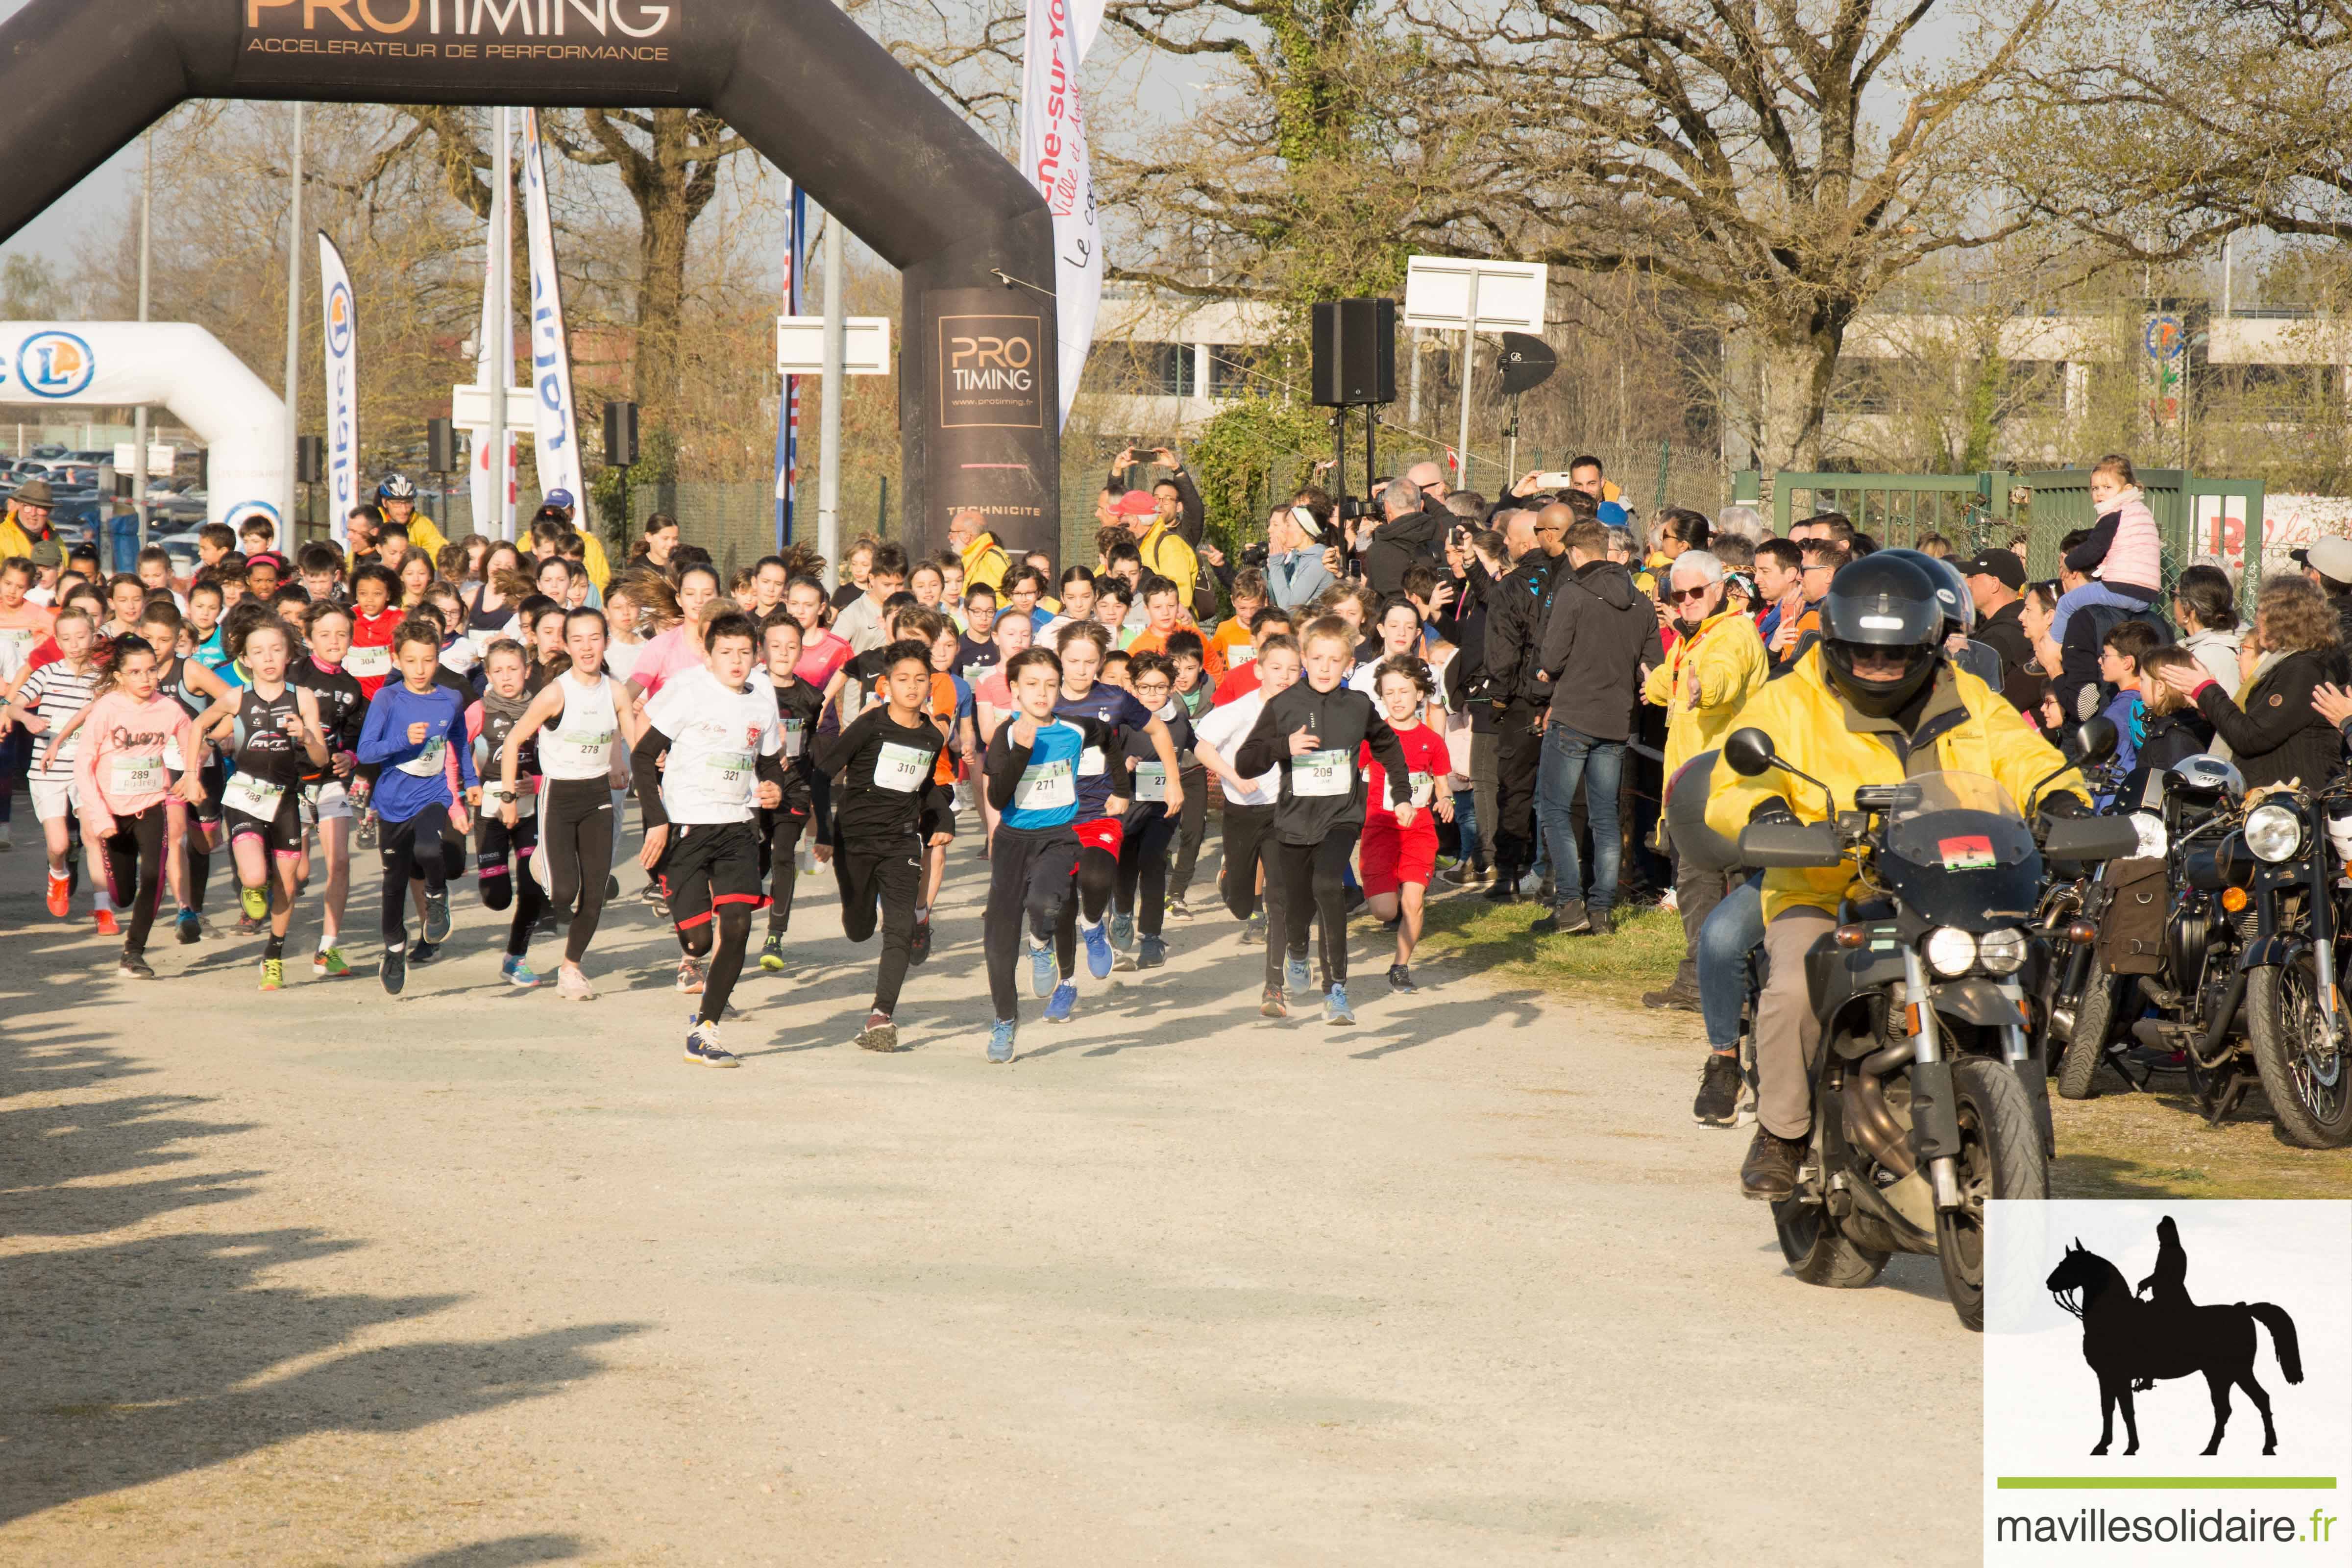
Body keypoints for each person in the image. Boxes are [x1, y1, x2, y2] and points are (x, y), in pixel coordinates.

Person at [1703, 554, 2085, 1200]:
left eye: (1897, 655)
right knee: (1794, 985)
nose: (1879, 668)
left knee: (2029, 958)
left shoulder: (1965, 696)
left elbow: (2021, 754)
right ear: (1839, 644)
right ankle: (1783, 1131)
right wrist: (1766, 808)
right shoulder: (1793, 697)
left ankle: (2014, 1116)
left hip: (1953, 887)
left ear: (1927, 647)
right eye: (1864, 655)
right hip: (1827, 887)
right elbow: (1740, 772)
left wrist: (2060, 797)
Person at [1232, 614, 1415, 1024]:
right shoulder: (1283, 705)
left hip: (1342, 817)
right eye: (1318, 658)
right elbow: (1245, 763)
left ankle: (1335, 990)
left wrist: (1401, 797)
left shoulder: (1358, 706)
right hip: (1294, 822)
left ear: (1349, 663)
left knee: (1329, 884)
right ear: (1305, 658)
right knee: (1296, 908)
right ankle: (1298, 951)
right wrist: (1285, 746)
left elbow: (1390, 748)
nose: (1326, 667)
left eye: (1336, 660)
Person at [632, 610, 788, 1067]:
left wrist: (774, 786)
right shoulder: (689, 693)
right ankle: (669, 890)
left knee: (738, 926)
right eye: (726, 653)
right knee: (699, 943)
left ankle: (705, 1029)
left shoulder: (763, 699)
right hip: (686, 828)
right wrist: (657, 819)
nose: (736, 661)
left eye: (744, 652)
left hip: (738, 827)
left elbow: (771, 762)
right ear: (709, 655)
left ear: (756, 655)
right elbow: (643, 758)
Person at [980, 646, 1131, 1062]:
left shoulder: (1077, 729)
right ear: (1015, 690)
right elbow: (996, 794)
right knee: (998, 945)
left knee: (1046, 903)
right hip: (1013, 843)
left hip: (1059, 837)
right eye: (1032, 685)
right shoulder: (1006, 735)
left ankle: (1041, 943)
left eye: (1050, 684)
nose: (1042, 693)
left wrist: (1121, 790)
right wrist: (1022, 752)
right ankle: (1006, 1022)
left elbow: (1111, 743)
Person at [1643, 550, 1768, 1009]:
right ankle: (1719, 983)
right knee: (1708, 888)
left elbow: (1720, 680)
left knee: (1704, 886)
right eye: (1679, 595)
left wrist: (1702, 690)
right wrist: (1659, 684)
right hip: (1696, 783)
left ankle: (1706, 985)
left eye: (1696, 592)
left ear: (1718, 590)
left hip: (1718, 789)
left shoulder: (1732, 635)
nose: (1687, 601)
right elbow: (1670, 678)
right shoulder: (1696, 634)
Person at [1527, 515, 1661, 939]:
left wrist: (1553, 671)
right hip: (1616, 722)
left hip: (1573, 717)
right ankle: (1601, 911)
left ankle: (1570, 905)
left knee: (1555, 809)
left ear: (1577, 554)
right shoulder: (1640, 602)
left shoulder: (1574, 592)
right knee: (1606, 816)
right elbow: (1651, 666)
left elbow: (1551, 659)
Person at [817, 637, 951, 1051]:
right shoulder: (871, 724)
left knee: (901, 928)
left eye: (921, 680)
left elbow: (925, 784)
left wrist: (942, 817)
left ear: (931, 684)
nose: (912, 687)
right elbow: (824, 773)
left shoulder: (931, 736)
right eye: (903, 679)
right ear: (887, 685)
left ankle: (881, 1016)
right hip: (854, 840)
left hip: (900, 842)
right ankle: (857, 912)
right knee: (859, 930)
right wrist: (823, 832)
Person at [496, 606, 634, 1001]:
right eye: (578, 639)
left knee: (594, 894)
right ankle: (544, 862)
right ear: (568, 645)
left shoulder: (616, 691)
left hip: (598, 797)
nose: (587, 647)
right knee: (562, 893)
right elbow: (512, 742)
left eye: (595, 638)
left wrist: (623, 761)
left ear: (605, 641)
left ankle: (571, 968)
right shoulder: (557, 692)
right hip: (558, 795)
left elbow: (631, 740)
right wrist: (508, 798)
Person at [1047, 621, 1183, 1017]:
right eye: (1073, 660)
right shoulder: (1045, 698)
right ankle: (1066, 984)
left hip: (1100, 811)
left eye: (1090, 662)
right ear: (1060, 659)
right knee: (1060, 902)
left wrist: (1173, 782)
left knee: (1096, 880)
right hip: (1053, 816)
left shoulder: (1116, 699)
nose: (1080, 669)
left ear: (1102, 662)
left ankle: (1093, 926)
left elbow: (1159, 731)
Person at [194, 616, 331, 990]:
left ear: (289, 655)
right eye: (258, 652)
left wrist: (305, 736)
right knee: (256, 877)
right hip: (244, 795)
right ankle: (252, 886)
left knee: (287, 884)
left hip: (286, 800)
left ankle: (273, 955)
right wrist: (192, 773)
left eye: (275, 650)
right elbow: (198, 725)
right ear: (247, 660)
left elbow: (321, 759)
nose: (268, 657)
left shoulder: (302, 697)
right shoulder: (237, 696)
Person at [358, 617, 481, 995]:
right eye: (411, 661)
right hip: (393, 802)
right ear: (397, 659)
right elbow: (366, 751)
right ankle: (394, 950)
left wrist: (471, 782)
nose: (420, 670)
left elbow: (459, 739)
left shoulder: (450, 698)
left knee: (430, 848)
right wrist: (400, 739)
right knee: (394, 884)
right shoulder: (387, 698)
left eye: (427, 660)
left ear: (438, 656)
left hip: (433, 795)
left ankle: (436, 895)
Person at [70, 635, 202, 977]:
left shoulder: (169, 708)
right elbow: (83, 764)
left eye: (152, 670)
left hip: (153, 804)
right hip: (112, 815)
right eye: (136, 672)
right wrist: (98, 816)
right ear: (119, 676)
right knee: (123, 895)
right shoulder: (107, 709)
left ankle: (133, 953)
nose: (146, 679)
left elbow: (192, 743)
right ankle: (114, 886)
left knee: (154, 877)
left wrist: (191, 777)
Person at [2158, 574, 2347, 793]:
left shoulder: (2303, 671)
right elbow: (2254, 725)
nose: (2256, 621)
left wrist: (2206, 689)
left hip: (2293, 803)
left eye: (2260, 612)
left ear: (2281, 619)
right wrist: (2206, 703)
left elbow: (2252, 737)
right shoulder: (2284, 664)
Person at [1479, 501, 1568, 901]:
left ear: (1518, 544)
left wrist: (1499, 699)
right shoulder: (1569, 579)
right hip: (1563, 696)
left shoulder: (1511, 587)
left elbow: (1501, 653)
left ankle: (1509, 873)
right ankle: (1554, 874)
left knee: (1514, 788)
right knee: (1559, 791)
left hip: (1520, 699)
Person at [1194, 633, 1299, 949]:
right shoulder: (1239, 711)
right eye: (1277, 668)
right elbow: (1202, 748)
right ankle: (1232, 877)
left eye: (1293, 670)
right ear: (1259, 671)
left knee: (1280, 880)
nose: (1285, 676)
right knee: (1239, 904)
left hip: (1282, 808)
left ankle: (1287, 946)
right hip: (1243, 808)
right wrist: (1234, 777)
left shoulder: (1306, 711)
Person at [5, 608, 105, 925]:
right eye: (66, 638)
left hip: (86, 771)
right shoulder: (47, 673)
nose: (74, 644)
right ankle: (57, 873)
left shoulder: (102, 679)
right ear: (58, 643)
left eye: (81, 636)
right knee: (59, 844)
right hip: (47, 772)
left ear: (93, 636)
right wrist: (29, 717)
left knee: (94, 837)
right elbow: (14, 706)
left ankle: (103, 908)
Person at [1360, 655, 1452, 992]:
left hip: (1419, 831)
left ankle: (1400, 966)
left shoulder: (1433, 741)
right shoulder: (1373, 738)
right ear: (1381, 698)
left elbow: (1442, 787)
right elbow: (1351, 775)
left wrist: (1445, 801)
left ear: (1419, 694)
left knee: (1413, 902)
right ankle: (1390, 884)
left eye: (1404, 691)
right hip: (1381, 828)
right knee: (1384, 911)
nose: (1397, 699)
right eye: (1389, 693)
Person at [466, 640, 551, 987]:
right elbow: (455, 747)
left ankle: (516, 957)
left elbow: (560, 756)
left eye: (513, 669)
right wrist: (466, 785)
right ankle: (494, 882)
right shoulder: (479, 711)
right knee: (498, 898)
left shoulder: (543, 709)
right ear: (487, 675)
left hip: (530, 810)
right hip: (490, 811)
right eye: (498, 671)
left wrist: (539, 780)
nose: (506, 677)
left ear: (527, 671)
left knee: (533, 886)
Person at [287, 602, 365, 974]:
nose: (335, 641)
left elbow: (353, 737)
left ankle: (328, 948)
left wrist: (350, 756)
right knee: (298, 873)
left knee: (340, 863)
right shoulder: (293, 675)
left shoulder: (352, 689)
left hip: (331, 783)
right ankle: (275, 938)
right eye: (325, 634)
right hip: (291, 781)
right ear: (308, 637)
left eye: (342, 634)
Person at [1108, 652, 1193, 968]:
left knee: (1153, 861)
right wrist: (1122, 764)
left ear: (1172, 688)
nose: (1153, 695)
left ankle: (1152, 937)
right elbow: (1105, 753)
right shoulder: (1124, 721)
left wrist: (1233, 774)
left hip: (1164, 809)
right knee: (1126, 866)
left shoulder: (1178, 722)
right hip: (1127, 806)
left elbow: (1201, 749)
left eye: (1160, 688)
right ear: (1133, 687)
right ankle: (1122, 914)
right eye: (1145, 688)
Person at [2050, 454, 2161, 640]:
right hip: (2146, 595)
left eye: (2107, 487)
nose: (2100, 493)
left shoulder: (2114, 513)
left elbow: (2095, 548)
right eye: (2095, 488)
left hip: (2121, 588)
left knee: (2066, 603)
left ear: (2126, 489)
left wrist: (2069, 562)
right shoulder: (2140, 512)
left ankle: (2054, 647)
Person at [1957, 548, 2043, 713]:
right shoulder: (2010, 622)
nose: (1967, 583)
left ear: (1995, 584)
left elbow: (1973, 698)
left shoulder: (1999, 637)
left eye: (1973, 576)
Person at [832, 544, 909, 653]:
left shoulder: (910, 608)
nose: (894, 591)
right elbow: (831, 653)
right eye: (887, 585)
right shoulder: (853, 614)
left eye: (899, 585)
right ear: (872, 579)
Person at [947, 507, 1011, 595]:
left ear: (966, 536)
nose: (949, 537)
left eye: (952, 532)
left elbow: (1001, 600)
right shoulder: (971, 557)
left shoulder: (992, 559)